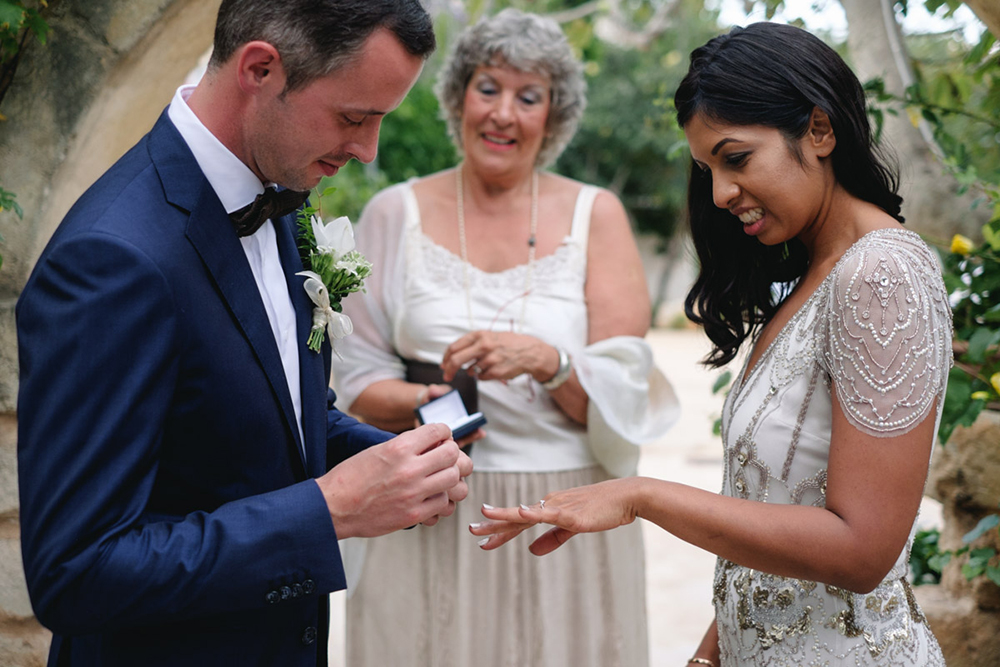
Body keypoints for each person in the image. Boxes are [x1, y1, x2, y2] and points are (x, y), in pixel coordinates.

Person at [472, 21, 952, 667]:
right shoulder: (815, 275)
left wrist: (643, 495)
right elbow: (772, 522)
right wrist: (708, 656)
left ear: (819, 130)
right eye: (708, 170)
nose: (721, 193)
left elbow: (863, 551)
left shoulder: (881, 274)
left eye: (736, 158)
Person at [15, 2, 474, 665]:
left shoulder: (277, 190)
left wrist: (399, 462)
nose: (367, 150)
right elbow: (77, 572)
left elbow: (279, 416)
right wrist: (329, 511)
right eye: (354, 117)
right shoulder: (112, 259)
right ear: (260, 69)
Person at [331, 8, 678, 666]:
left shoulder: (596, 215)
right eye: (488, 88)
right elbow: (356, 381)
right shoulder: (393, 212)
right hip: (432, 499)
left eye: (529, 97)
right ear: (458, 95)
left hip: (566, 514)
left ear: (554, 114)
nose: (503, 114)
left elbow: (621, 407)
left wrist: (550, 362)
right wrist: (430, 402)